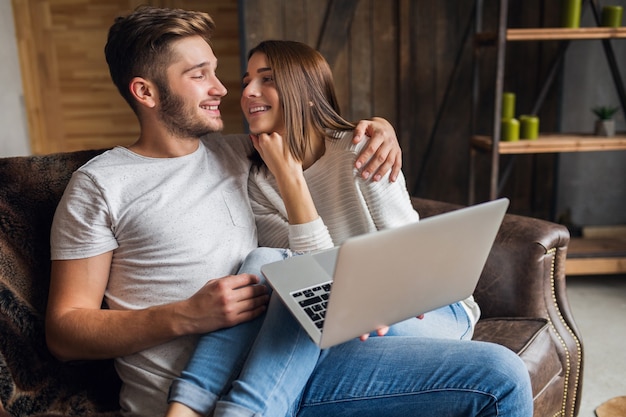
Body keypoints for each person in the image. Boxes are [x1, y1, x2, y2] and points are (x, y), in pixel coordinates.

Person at [45, 6, 405, 417]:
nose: (221, 88)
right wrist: (184, 316)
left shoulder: (243, 152)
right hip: (174, 402)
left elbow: (316, 132)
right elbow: (65, 332)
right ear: (146, 92)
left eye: (216, 72)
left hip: (292, 379)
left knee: (492, 369)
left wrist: (379, 130)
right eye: (199, 75)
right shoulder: (101, 185)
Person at [164, 40, 533, 417]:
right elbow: (311, 284)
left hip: (421, 309)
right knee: (266, 264)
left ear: (306, 93)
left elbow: (414, 265)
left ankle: (240, 409)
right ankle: (205, 408)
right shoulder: (257, 180)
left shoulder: (364, 150)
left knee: (282, 272)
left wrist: (293, 181)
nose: (249, 93)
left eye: (268, 79)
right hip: (339, 321)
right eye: (246, 82)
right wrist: (283, 177)